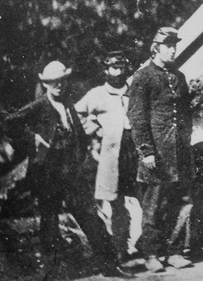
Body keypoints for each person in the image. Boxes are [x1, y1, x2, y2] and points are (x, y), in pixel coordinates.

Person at [3, 61, 130, 277]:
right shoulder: (39, 106)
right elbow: (9, 122)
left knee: (89, 215)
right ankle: (53, 272)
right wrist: (32, 138)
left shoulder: (69, 104)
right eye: (53, 82)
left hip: (71, 170)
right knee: (49, 222)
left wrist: (80, 156)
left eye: (62, 81)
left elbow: (79, 134)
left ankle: (108, 264)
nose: (59, 85)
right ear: (46, 84)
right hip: (47, 173)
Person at [127, 27, 194, 272]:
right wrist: (147, 151)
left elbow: (186, 114)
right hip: (157, 153)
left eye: (175, 44)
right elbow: (137, 117)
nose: (173, 49)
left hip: (180, 152)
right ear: (156, 48)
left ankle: (175, 251)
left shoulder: (180, 77)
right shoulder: (143, 77)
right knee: (153, 205)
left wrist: (186, 140)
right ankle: (152, 254)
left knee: (181, 202)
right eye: (168, 45)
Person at [75, 51, 138, 263]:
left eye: (122, 68)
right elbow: (77, 114)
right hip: (113, 156)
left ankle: (149, 246)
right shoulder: (96, 94)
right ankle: (121, 249)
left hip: (136, 154)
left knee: (147, 200)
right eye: (113, 68)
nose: (118, 72)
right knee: (117, 203)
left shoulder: (134, 91)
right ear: (106, 70)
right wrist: (95, 130)